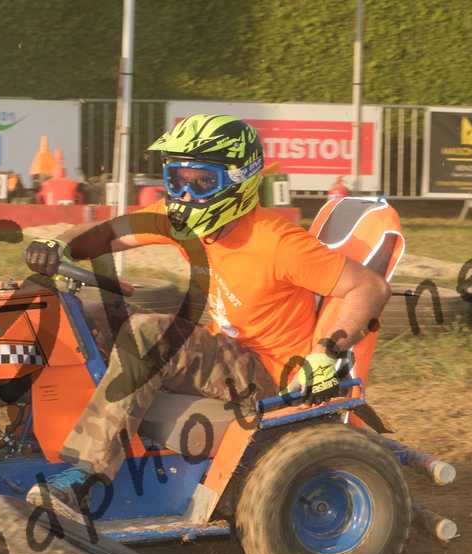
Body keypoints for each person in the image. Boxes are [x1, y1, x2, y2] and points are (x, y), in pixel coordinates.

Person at [23, 114, 390, 519]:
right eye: (177, 179)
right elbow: (108, 234)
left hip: (269, 377)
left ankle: (84, 478)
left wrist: (325, 353)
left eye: (201, 181)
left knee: (150, 333)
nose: (185, 193)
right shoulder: (184, 222)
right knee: (91, 317)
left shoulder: (278, 242)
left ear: (239, 180)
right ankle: (26, 438)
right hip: (227, 356)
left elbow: (369, 287)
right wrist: (57, 245)